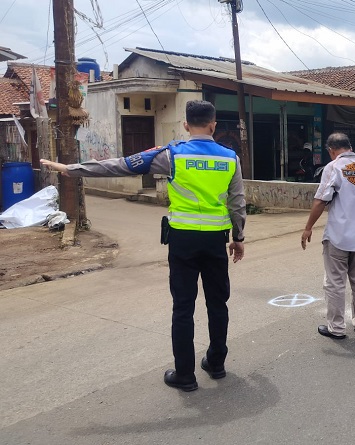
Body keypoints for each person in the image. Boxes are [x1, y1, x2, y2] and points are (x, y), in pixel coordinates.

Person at [41, 100, 246, 392]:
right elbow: (237, 202)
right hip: (216, 240)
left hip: (183, 241)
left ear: (186, 125)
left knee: (183, 308)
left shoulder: (171, 154)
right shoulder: (230, 158)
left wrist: (72, 169)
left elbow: (121, 165)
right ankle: (216, 363)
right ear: (213, 125)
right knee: (217, 304)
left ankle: (185, 376)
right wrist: (238, 238)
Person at [301, 132, 355, 340]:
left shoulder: (334, 167)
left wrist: (308, 227)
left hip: (338, 237)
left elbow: (321, 200)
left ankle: (336, 328)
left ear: (331, 150)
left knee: (335, 283)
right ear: (350, 146)